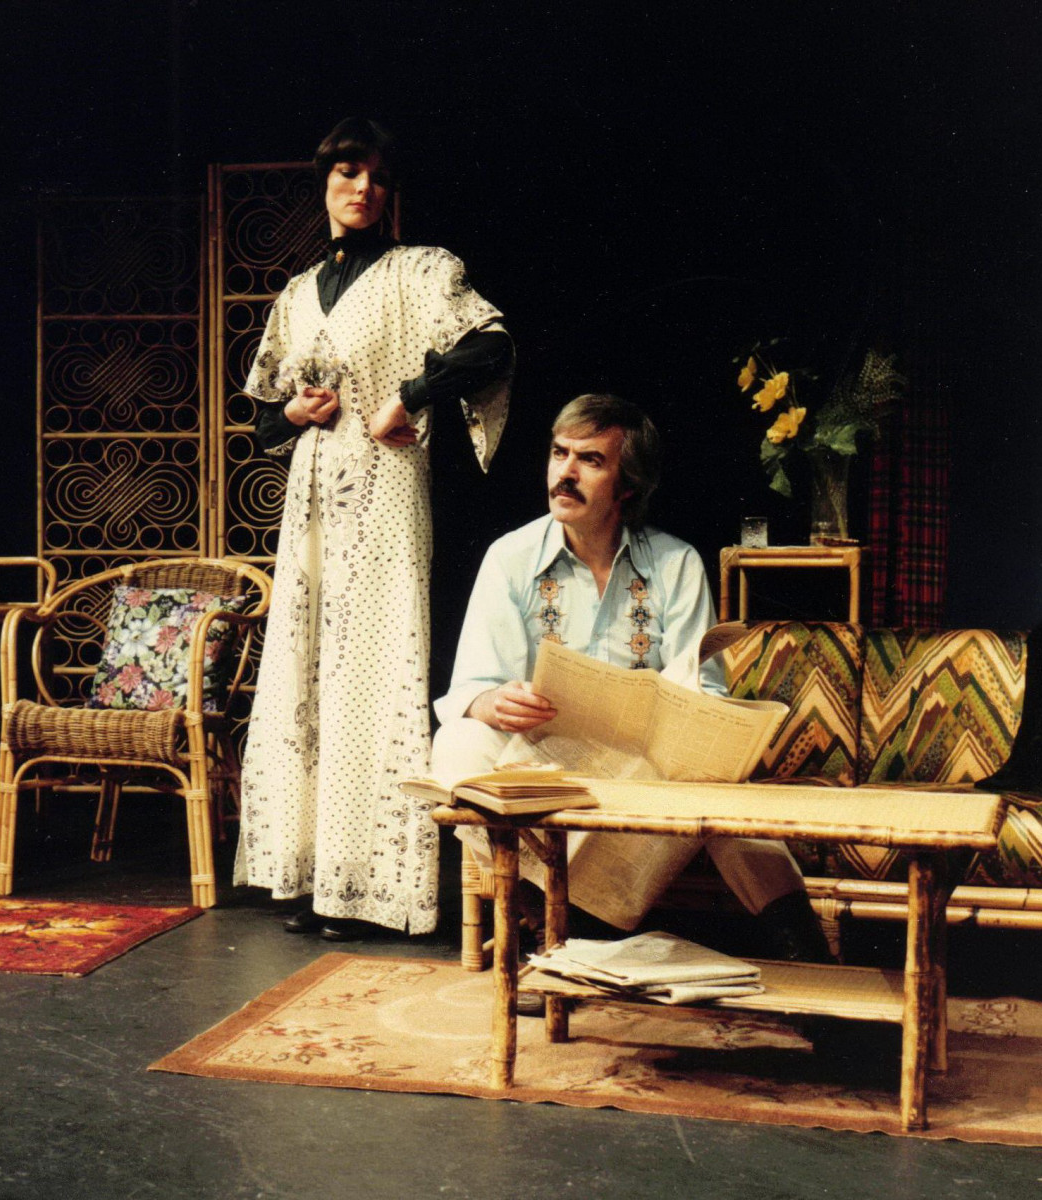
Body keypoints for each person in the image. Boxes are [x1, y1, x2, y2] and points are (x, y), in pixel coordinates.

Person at [235, 117, 513, 939]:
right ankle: (309, 874)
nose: (363, 188)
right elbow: (260, 422)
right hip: (312, 502)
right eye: (348, 172)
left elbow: (490, 346)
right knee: (305, 677)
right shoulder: (297, 292)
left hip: (388, 492)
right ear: (324, 183)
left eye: (378, 177)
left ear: (392, 194)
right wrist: (290, 411)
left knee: (371, 674)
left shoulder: (422, 271)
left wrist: (410, 396)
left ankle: (370, 888)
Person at [432, 393, 831, 961]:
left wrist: (681, 713)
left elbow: (706, 689)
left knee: (717, 783)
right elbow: (471, 685)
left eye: (590, 460)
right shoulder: (509, 557)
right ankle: (535, 911)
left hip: (643, 764)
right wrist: (495, 702)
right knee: (458, 742)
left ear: (628, 485)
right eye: (558, 453)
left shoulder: (676, 563)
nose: (564, 474)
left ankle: (799, 945)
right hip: (544, 759)